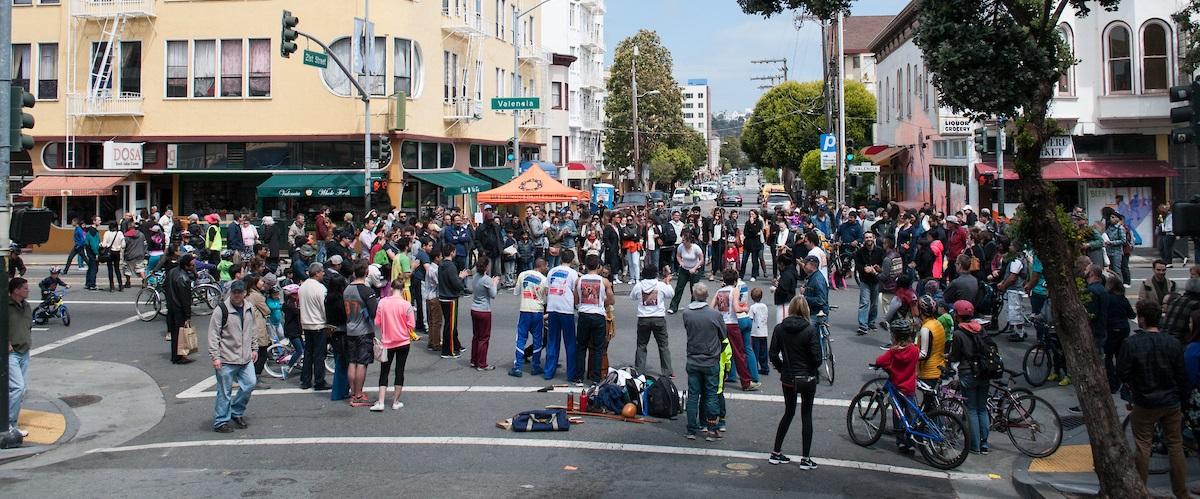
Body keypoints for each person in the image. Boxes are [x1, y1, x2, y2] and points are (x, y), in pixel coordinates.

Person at [1120, 300, 1189, 498]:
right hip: (1170, 401)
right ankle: (1181, 491)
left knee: (1143, 445)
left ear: (1141, 319)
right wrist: (1182, 402)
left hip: (1145, 401)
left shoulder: (1131, 343)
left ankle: (1140, 490)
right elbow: (1181, 376)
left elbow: (1123, 373)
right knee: (1175, 445)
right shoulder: (1172, 343)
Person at [767, 295, 821, 467]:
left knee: (788, 412)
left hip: (788, 377)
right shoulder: (810, 330)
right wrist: (810, 368)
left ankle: (776, 451)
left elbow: (773, 354)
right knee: (806, 415)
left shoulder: (780, 328)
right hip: (806, 376)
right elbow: (817, 357)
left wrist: (782, 368)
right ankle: (805, 458)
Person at [209, 280, 258, 433]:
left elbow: (253, 329)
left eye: (239, 292)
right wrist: (215, 357)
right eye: (234, 292)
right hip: (226, 357)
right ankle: (221, 421)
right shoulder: (221, 310)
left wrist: (254, 348)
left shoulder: (249, 308)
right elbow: (213, 335)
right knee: (224, 391)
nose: (237, 295)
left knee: (250, 383)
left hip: (245, 357)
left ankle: (236, 411)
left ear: (244, 293)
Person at [682, 282, 726, 441]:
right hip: (710, 359)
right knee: (711, 394)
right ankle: (712, 428)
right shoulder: (715, 315)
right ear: (707, 296)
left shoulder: (687, 313)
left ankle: (691, 429)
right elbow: (723, 335)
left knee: (693, 395)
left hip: (693, 357)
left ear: (694, 295)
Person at [948, 300, 990, 454]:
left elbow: (955, 356)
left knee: (971, 409)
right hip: (985, 372)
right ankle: (984, 443)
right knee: (982, 408)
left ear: (957, 315)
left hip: (968, 372)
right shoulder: (981, 329)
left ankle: (975, 445)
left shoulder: (959, 333)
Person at [373, 279, 415, 411]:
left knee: (384, 371)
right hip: (403, 341)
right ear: (402, 290)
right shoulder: (406, 305)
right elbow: (411, 325)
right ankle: (395, 401)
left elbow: (377, 322)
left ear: (391, 288)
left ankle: (380, 401)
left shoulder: (382, 303)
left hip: (387, 342)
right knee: (399, 370)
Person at [714, 269, 760, 391]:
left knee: (721, 352)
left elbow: (711, 306)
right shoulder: (734, 290)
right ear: (735, 281)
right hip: (732, 323)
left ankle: (718, 377)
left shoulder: (719, 291)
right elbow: (736, 307)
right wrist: (744, 309)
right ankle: (746, 382)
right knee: (739, 353)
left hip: (721, 323)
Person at [575, 255, 614, 385]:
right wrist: (603, 303)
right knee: (598, 348)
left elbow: (576, 299)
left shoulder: (579, 280)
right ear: (598, 266)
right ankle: (595, 378)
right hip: (598, 315)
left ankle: (579, 376)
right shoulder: (604, 281)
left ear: (585, 266)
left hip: (584, 314)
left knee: (581, 346)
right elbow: (611, 300)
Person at [631, 263, 674, 377]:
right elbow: (671, 294)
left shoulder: (639, 286)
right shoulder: (660, 285)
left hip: (643, 318)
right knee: (663, 345)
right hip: (658, 317)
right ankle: (668, 371)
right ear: (655, 274)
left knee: (641, 345)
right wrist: (667, 282)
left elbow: (632, 297)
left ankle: (639, 371)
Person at [544, 250, 580, 381]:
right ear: (571, 260)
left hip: (553, 307)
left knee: (552, 341)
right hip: (566, 309)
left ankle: (549, 371)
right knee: (570, 342)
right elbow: (575, 291)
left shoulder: (552, 271)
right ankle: (571, 374)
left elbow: (547, 289)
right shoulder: (572, 273)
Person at [512, 258, 549, 377]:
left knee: (521, 339)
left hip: (525, 309)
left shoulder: (523, 274)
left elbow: (516, 292)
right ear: (541, 266)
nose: (547, 268)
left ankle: (517, 367)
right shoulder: (544, 280)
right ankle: (535, 366)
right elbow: (546, 299)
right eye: (546, 266)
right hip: (537, 311)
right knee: (538, 339)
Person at [299, 262, 331, 391]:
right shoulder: (320, 288)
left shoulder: (302, 287)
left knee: (308, 353)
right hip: (318, 323)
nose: (323, 273)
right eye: (322, 271)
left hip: (306, 323)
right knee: (319, 354)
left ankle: (305, 380)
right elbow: (324, 308)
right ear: (317, 273)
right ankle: (319, 381)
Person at [8, 278, 32, 437]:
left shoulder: (27, 306)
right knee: (18, 388)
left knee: (19, 390)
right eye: (24, 288)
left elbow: (28, 326)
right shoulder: (5, 307)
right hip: (11, 353)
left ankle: (12, 424)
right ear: (16, 290)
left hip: (24, 351)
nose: (27, 291)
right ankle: (8, 424)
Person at [914, 296, 948, 411]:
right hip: (939, 366)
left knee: (928, 405)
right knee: (930, 403)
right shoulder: (937, 323)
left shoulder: (926, 328)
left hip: (929, 371)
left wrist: (909, 356)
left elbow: (924, 354)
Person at [437, 244, 468, 359]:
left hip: (443, 296)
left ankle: (456, 345)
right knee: (450, 326)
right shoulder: (451, 266)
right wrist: (461, 277)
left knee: (451, 324)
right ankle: (448, 351)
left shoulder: (441, 265)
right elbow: (456, 284)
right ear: (452, 252)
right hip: (450, 298)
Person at [165, 254, 196, 364]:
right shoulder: (184, 279)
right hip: (179, 309)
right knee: (180, 334)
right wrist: (188, 316)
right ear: (186, 266)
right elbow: (185, 300)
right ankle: (179, 357)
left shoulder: (172, 272)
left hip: (171, 306)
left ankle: (176, 355)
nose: (194, 267)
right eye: (192, 265)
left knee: (175, 333)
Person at [469, 258, 499, 371]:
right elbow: (493, 294)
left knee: (476, 336)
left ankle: (474, 360)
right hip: (484, 310)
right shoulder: (487, 279)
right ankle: (482, 363)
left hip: (474, 308)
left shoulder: (476, 276)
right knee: (484, 338)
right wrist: (494, 283)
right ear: (486, 267)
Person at [244, 275, 272, 390]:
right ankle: (255, 377)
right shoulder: (256, 296)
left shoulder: (246, 294)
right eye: (260, 281)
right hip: (258, 327)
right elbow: (267, 310)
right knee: (262, 353)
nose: (262, 282)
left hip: (248, 327)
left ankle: (249, 377)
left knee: (253, 353)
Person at [853, 232, 884, 336]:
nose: (868, 239)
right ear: (864, 239)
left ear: (874, 238)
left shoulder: (880, 251)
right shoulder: (859, 252)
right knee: (864, 302)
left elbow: (883, 264)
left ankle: (871, 322)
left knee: (874, 303)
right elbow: (858, 265)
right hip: (864, 280)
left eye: (870, 237)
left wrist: (878, 268)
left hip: (875, 280)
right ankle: (863, 325)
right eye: (866, 237)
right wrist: (864, 269)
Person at [668, 232, 705, 314]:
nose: (682, 241)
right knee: (679, 288)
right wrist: (680, 262)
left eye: (684, 240)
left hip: (694, 269)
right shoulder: (681, 247)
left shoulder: (696, 248)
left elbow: (701, 259)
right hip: (684, 269)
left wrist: (695, 268)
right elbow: (678, 256)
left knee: (694, 289)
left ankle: (694, 306)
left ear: (689, 241)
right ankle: (673, 306)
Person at [749, 287, 771, 376]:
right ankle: (765, 367)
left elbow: (750, 318)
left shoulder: (752, 307)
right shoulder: (764, 306)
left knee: (755, 351)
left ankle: (754, 367)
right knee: (763, 351)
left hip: (755, 332)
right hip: (764, 331)